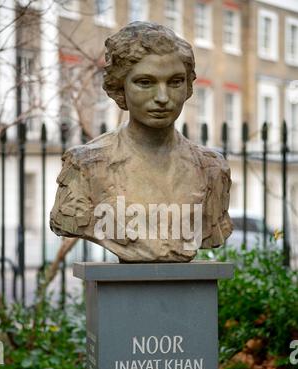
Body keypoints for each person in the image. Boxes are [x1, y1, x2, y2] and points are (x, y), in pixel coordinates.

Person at [50, 22, 232, 262]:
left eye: (175, 82)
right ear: (119, 88)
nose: (162, 98)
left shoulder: (213, 170)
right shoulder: (84, 166)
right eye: (145, 82)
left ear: (188, 87)